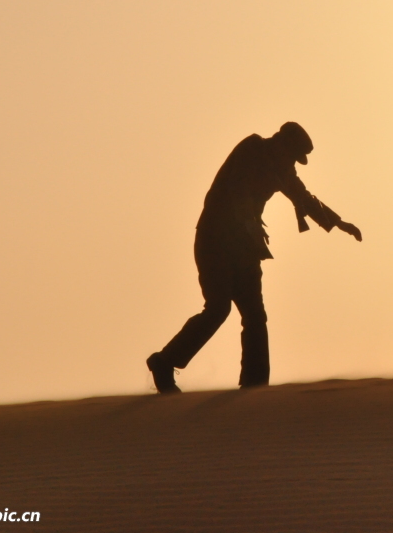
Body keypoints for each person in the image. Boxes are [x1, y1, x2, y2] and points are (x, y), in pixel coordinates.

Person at [147, 122, 362, 393]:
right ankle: (164, 362)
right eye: (292, 155)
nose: (292, 163)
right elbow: (238, 189)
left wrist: (339, 223)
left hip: (245, 247)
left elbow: (304, 197)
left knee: (255, 316)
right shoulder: (252, 148)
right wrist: (246, 219)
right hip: (216, 240)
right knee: (218, 308)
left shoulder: (284, 170)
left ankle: (255, 386)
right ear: (282, 145)